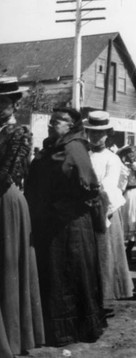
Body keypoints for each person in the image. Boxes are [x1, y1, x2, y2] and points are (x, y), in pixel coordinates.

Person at [25, 107, 106, 347]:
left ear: (70, 125)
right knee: (56, 272)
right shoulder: (52, 147)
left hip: (71, 223)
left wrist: (62, 204)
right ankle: (57, 327)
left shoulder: (74, 147)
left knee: (70, 272)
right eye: (50, 121)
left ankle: (73, 327)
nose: (51, 125)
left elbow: (90, 185)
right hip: (52, 223)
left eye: (57, 122)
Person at [0, 78, 45, 357]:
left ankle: (12, 336)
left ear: (15, 104)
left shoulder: (20, 133)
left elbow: (10, 172)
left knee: (7, 263)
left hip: (6, 199)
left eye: (2, 102)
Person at [84, 111, 134, 299]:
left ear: (107, 135)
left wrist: (90, 194)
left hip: (105, 210)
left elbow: (108, 186)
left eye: (100, 133)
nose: (95, 137)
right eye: (92, 133)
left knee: (106, 253)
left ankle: (107, 294)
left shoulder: (112, 159)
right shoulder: (85, 155)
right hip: (88, 208)